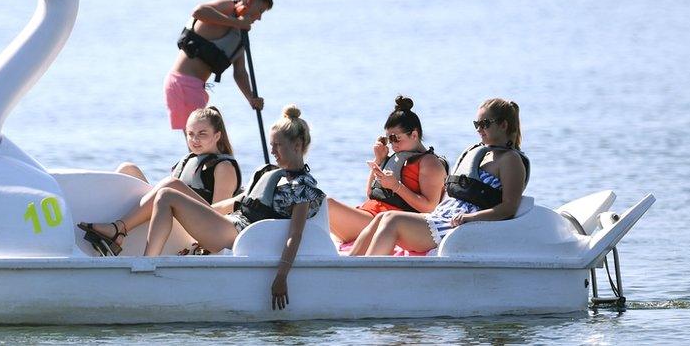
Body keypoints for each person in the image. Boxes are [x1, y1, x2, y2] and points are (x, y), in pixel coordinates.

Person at [144, 105, 325, 310]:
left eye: (278, 146)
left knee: (167, 196)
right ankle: (147, 263)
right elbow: (237, 202)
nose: (272, 151)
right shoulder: (272, 174)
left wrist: (281, 276)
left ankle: (145, 267)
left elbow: (295, 235)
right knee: (166, 192)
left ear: (298, 145)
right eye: (271, 145)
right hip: (230, 223)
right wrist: (203, 213)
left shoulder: (302, 187)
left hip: (239, 234)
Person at [349, 98, 530, 256]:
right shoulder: (482, 154)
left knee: (393, 220)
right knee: (384, 217)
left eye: (485, 124)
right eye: (477, 124)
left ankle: (367, 279)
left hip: (457, 226)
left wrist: (470, 218)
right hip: (442, 217)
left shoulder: (511, 160)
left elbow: (509, 208)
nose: (479, 130)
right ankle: (348, 268)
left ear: (504, 125)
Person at [76, 107, 243, 255]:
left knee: (172, 185)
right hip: (173, 217)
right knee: (128, 169)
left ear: (217, 136)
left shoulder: (224, 167)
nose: (194, 140)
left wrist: (180, 203)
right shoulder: (190, 160)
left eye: (202, 134)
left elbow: (220, 215)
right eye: (190, 134)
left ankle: (118, 229)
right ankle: (109, 228)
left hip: (202, 229)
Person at [327, 96, 448, 244]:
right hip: (368, 214)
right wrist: (379, 159)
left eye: (395, 138)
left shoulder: (429, 163)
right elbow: (371, 193)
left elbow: (430, 207)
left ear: (414, 135)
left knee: (324, 204)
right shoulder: (396, 158)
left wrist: (396, 187)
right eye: (388, 139)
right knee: (320, 204)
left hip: (385, 223)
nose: (392, 144)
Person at [165, 0, 272, 130]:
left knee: (204, 141)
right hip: (183, 83)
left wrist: (251, 98)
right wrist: (237, 22)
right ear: (250, 0)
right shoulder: (228, 7)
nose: (260, 18)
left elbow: (240, 73)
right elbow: (198, 11)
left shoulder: (239, 36)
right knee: (204, 140)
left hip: (196, 88)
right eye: (260, 10)